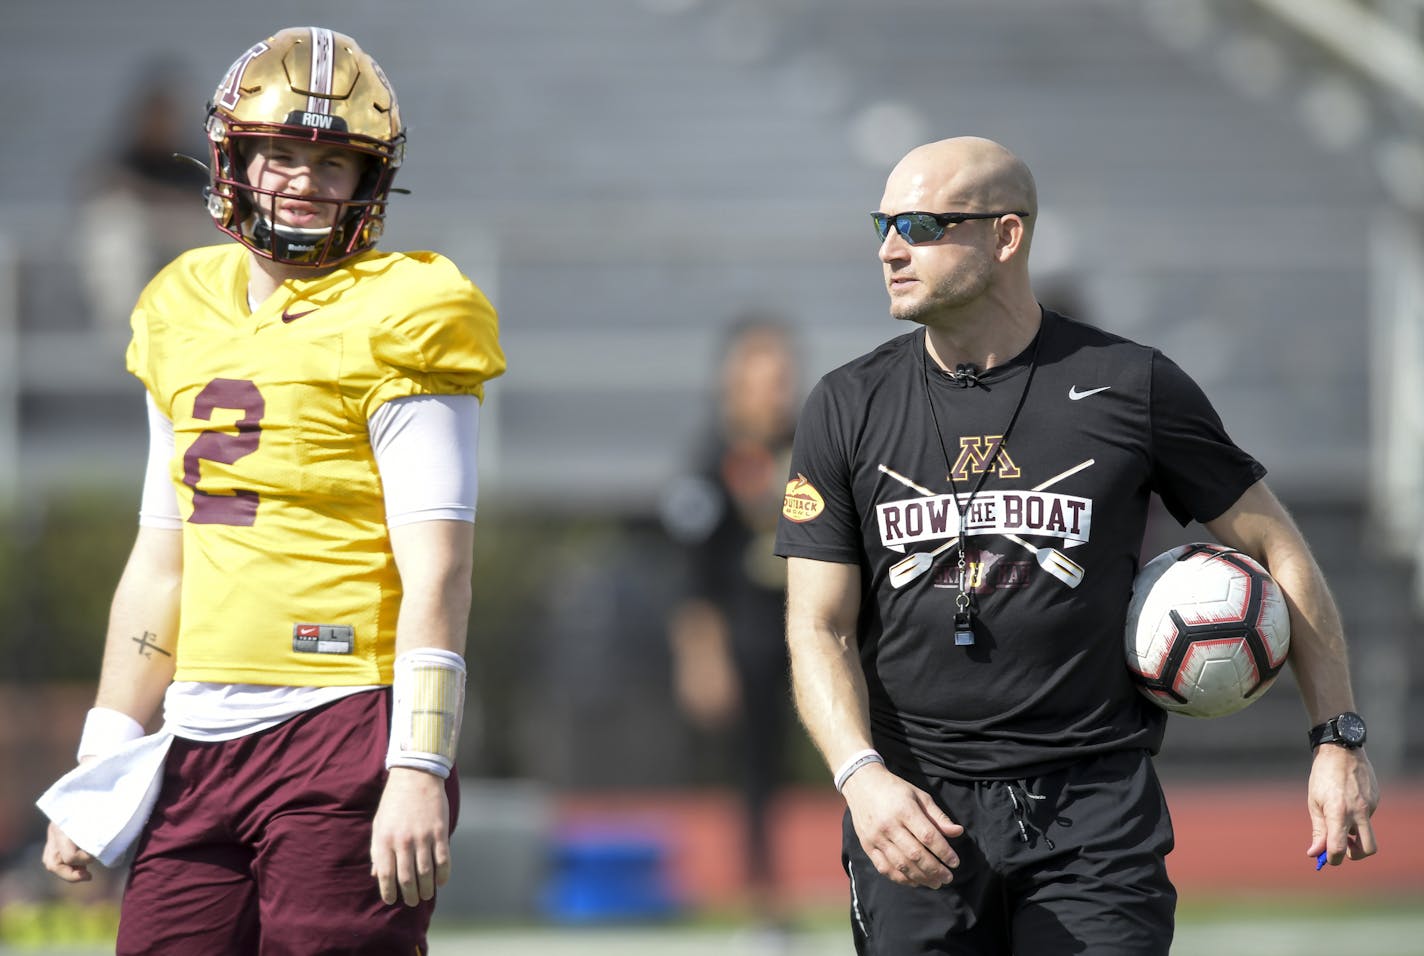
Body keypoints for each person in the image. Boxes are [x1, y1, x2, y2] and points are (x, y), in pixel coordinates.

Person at [774, 136, 1378, 955]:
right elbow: (818, 626)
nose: (889, 248)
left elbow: (1281, 551)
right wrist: (860, 777)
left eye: (920, 223)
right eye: (883, 222)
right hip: (912, 815)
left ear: (1006, 235)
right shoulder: (845, 405)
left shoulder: (1133, 385)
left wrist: (1336, 741)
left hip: (1093, 813)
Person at [37, 27, 505, 954]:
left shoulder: (409, 309)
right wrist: (103, 757)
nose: (302, 180)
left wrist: (416, 762)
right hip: (197, 739)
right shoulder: (180, 305)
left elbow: (439, 571)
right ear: (234, 158)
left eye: (333, 163)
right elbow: (161, 557)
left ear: (369, 183)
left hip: (344, 726)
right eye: (281, 153)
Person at [662, 316, 800, 919]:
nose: (774, 391)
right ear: (733, 383)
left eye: (782, 378)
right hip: (747, 638)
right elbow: (695, 577)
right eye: (761, 378)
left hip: (816, 628)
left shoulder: (813, 444)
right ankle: (760, 894)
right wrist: (701, 656)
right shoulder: (709, 462)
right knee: (756, 766)